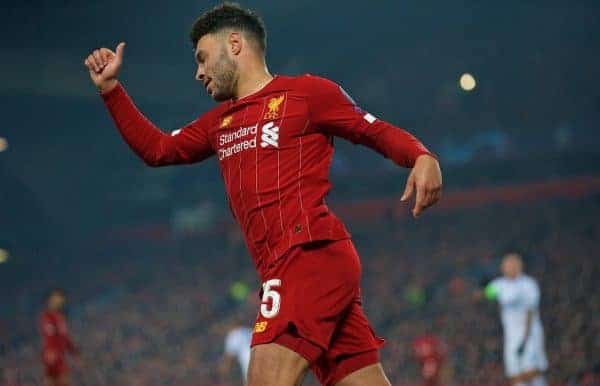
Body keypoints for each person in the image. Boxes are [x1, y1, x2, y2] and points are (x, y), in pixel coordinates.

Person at [83, 3, 442, 385]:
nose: (198, 72)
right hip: (291, 267)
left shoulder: (306, 94)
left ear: (235, 44)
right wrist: (111, 90)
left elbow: (373, 130)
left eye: (203, 59)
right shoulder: (217, 123)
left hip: (308, 256)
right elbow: (156, 149)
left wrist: (421, 155)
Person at [483, 253, 549, 386]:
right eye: (506, 264)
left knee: (531, 372)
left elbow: (530, 312)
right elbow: (487, 292)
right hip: (511, 336)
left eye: (512, 264)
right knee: (515, 376)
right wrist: (484, 291)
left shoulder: (528, 284)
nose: (509, 267)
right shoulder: (499, 284)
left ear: (520, 266)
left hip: (530, 334)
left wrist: (525, 338)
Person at [39, 289, 80, 386]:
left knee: (63, 381)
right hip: (52, 356)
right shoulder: (46, 317)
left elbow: (65, 337)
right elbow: (50, 337)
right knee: (54, 381)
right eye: (56, 300)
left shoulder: (60, 318)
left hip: (59, 356)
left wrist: (74, 352)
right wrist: (51, 353)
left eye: (60, 301)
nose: (58, 303)